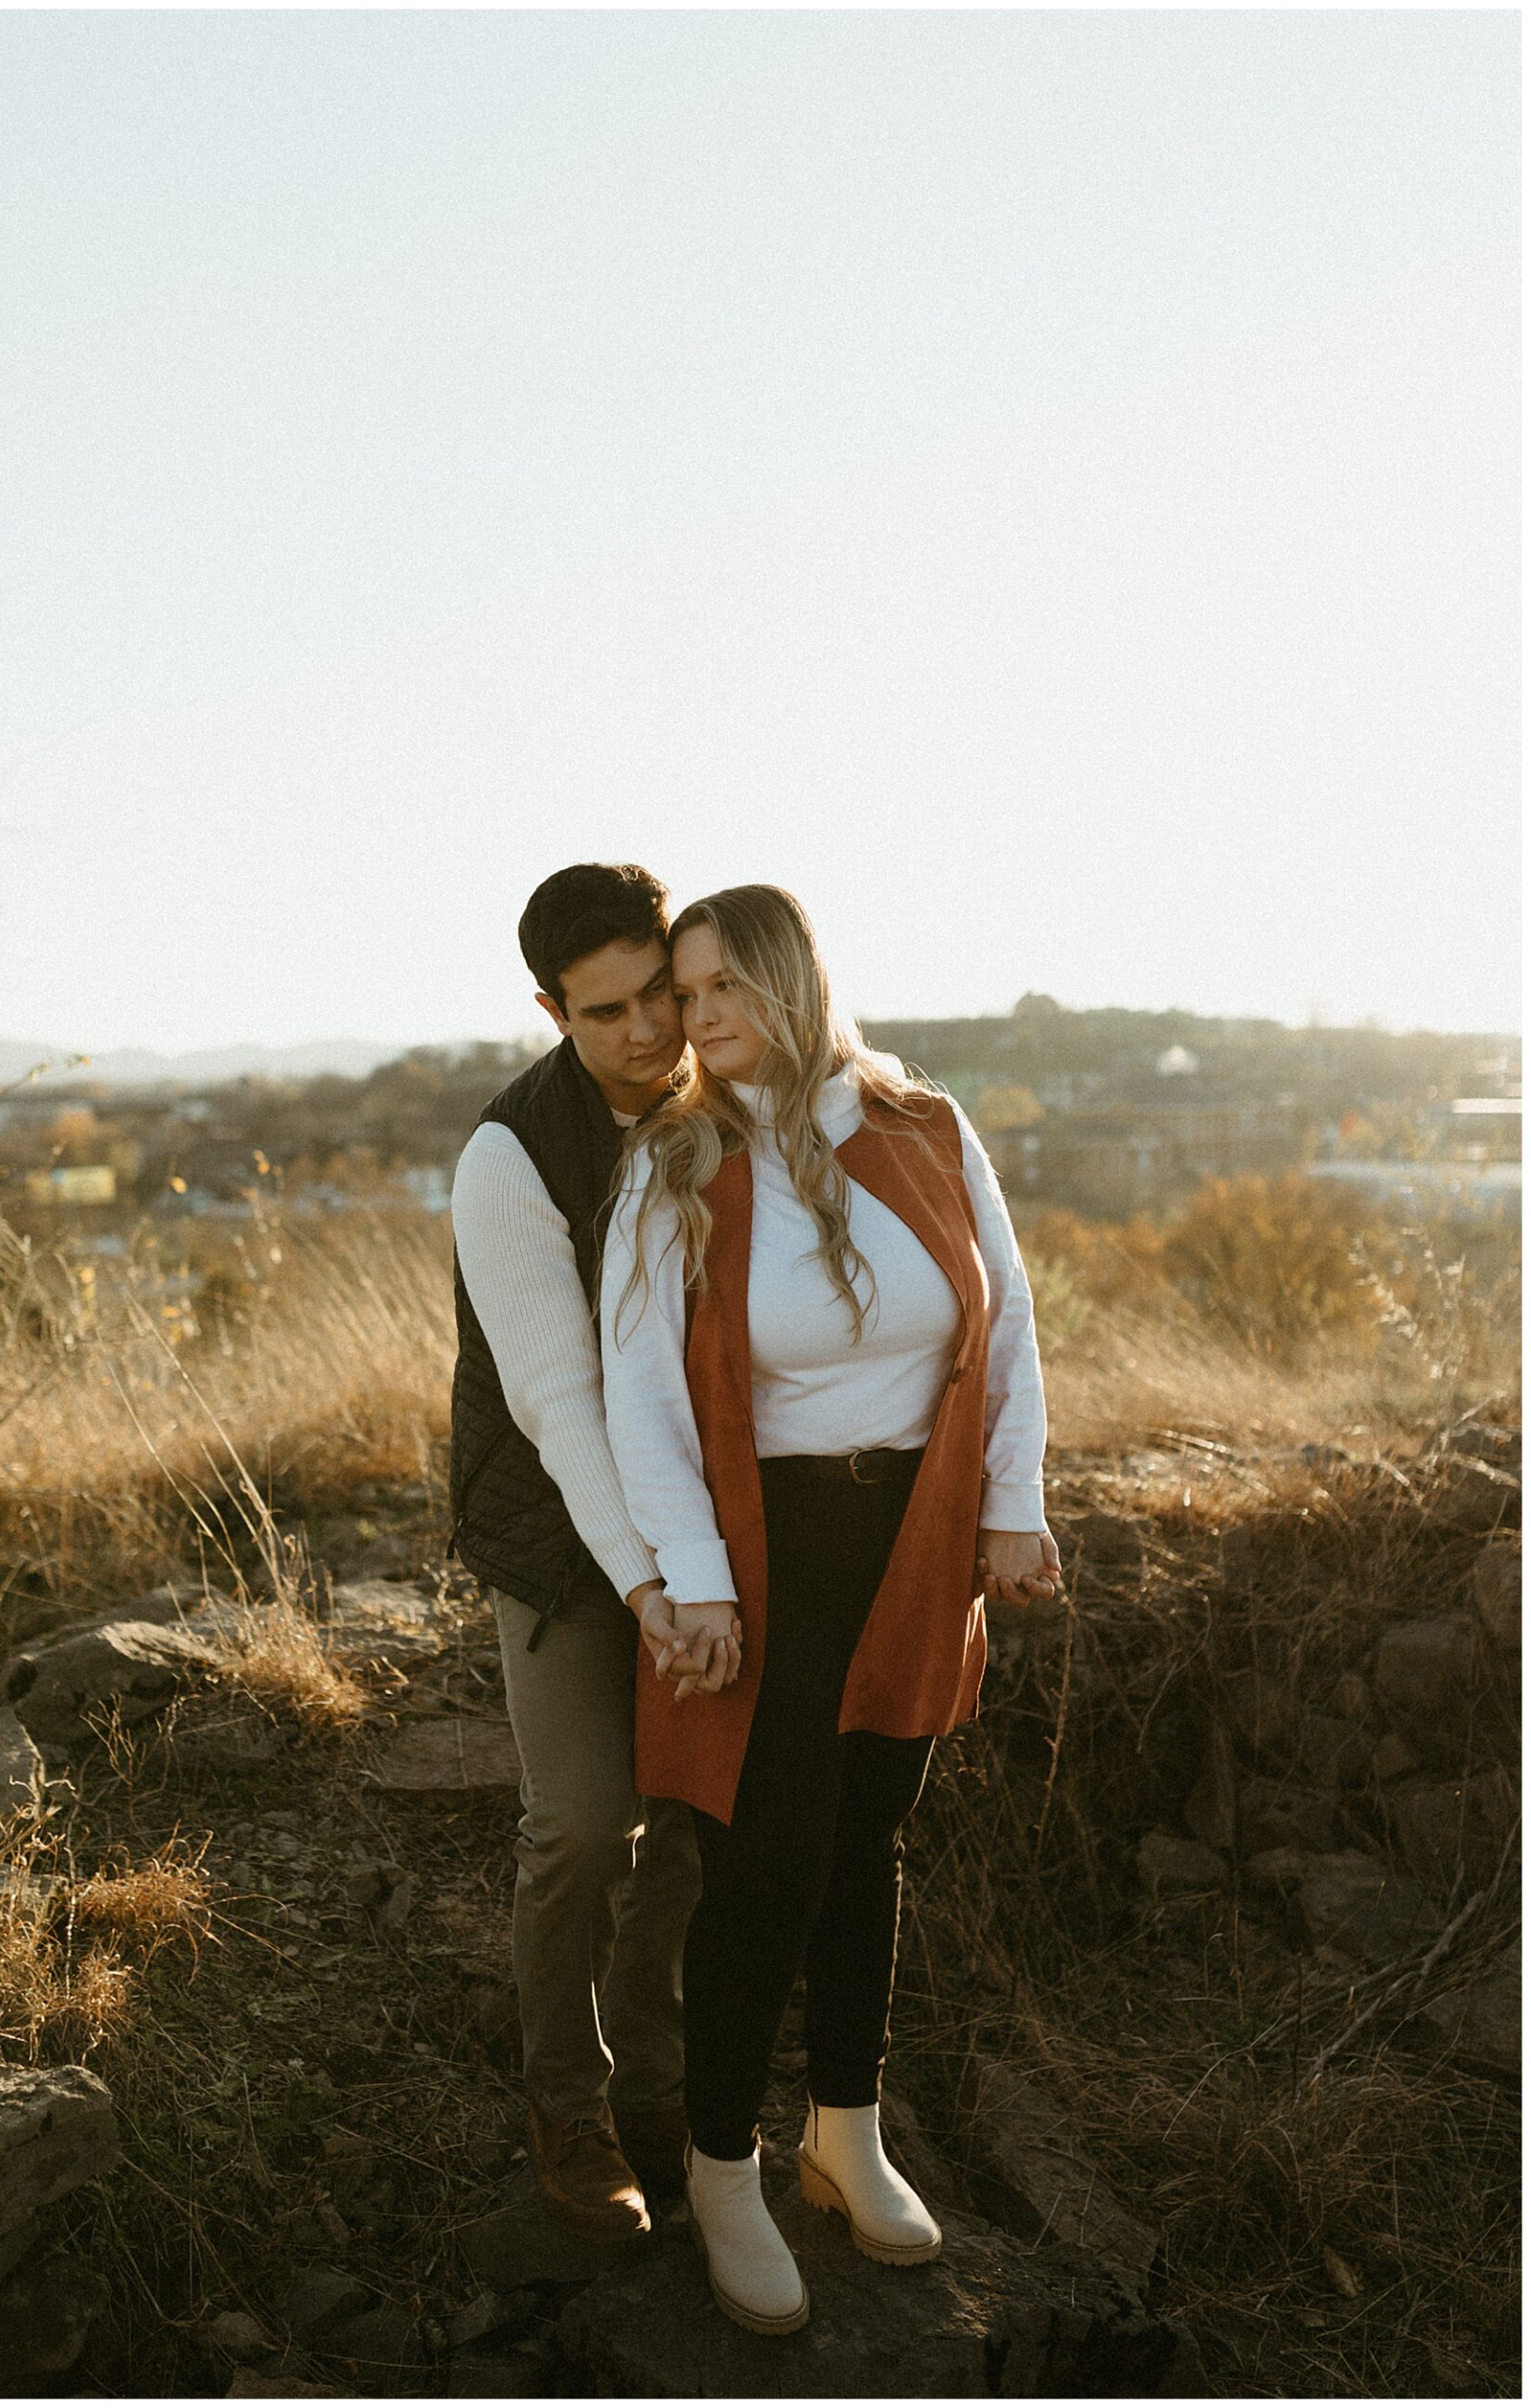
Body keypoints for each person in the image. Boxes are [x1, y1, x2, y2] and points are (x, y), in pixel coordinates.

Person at [599, 883, 1059, 2335]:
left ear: (796, 980)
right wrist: (697, 1580)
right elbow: (642, 1397)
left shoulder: (920, 1124)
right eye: (686, 991)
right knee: (763, 1857)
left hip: (914, 1530)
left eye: (727, 983)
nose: (700, 1014)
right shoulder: (676, 1161)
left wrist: (1012, 1499)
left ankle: (842, 2135)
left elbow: (1009, 1315)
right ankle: (722, 2162)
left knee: (870, 1832)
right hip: (769, 1539)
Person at [450, 862, 704, 2241]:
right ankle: (567, 2105)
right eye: (603, 1012)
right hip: (553, 1528)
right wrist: (647, 1582)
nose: (644, 1034)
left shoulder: (720, 1102)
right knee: (578, 1826)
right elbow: (555, 1399)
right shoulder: (511, 1156)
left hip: (701, 1522)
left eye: (658, 995)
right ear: (550, 1008)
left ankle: (660, 2091)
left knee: (685, 1828)